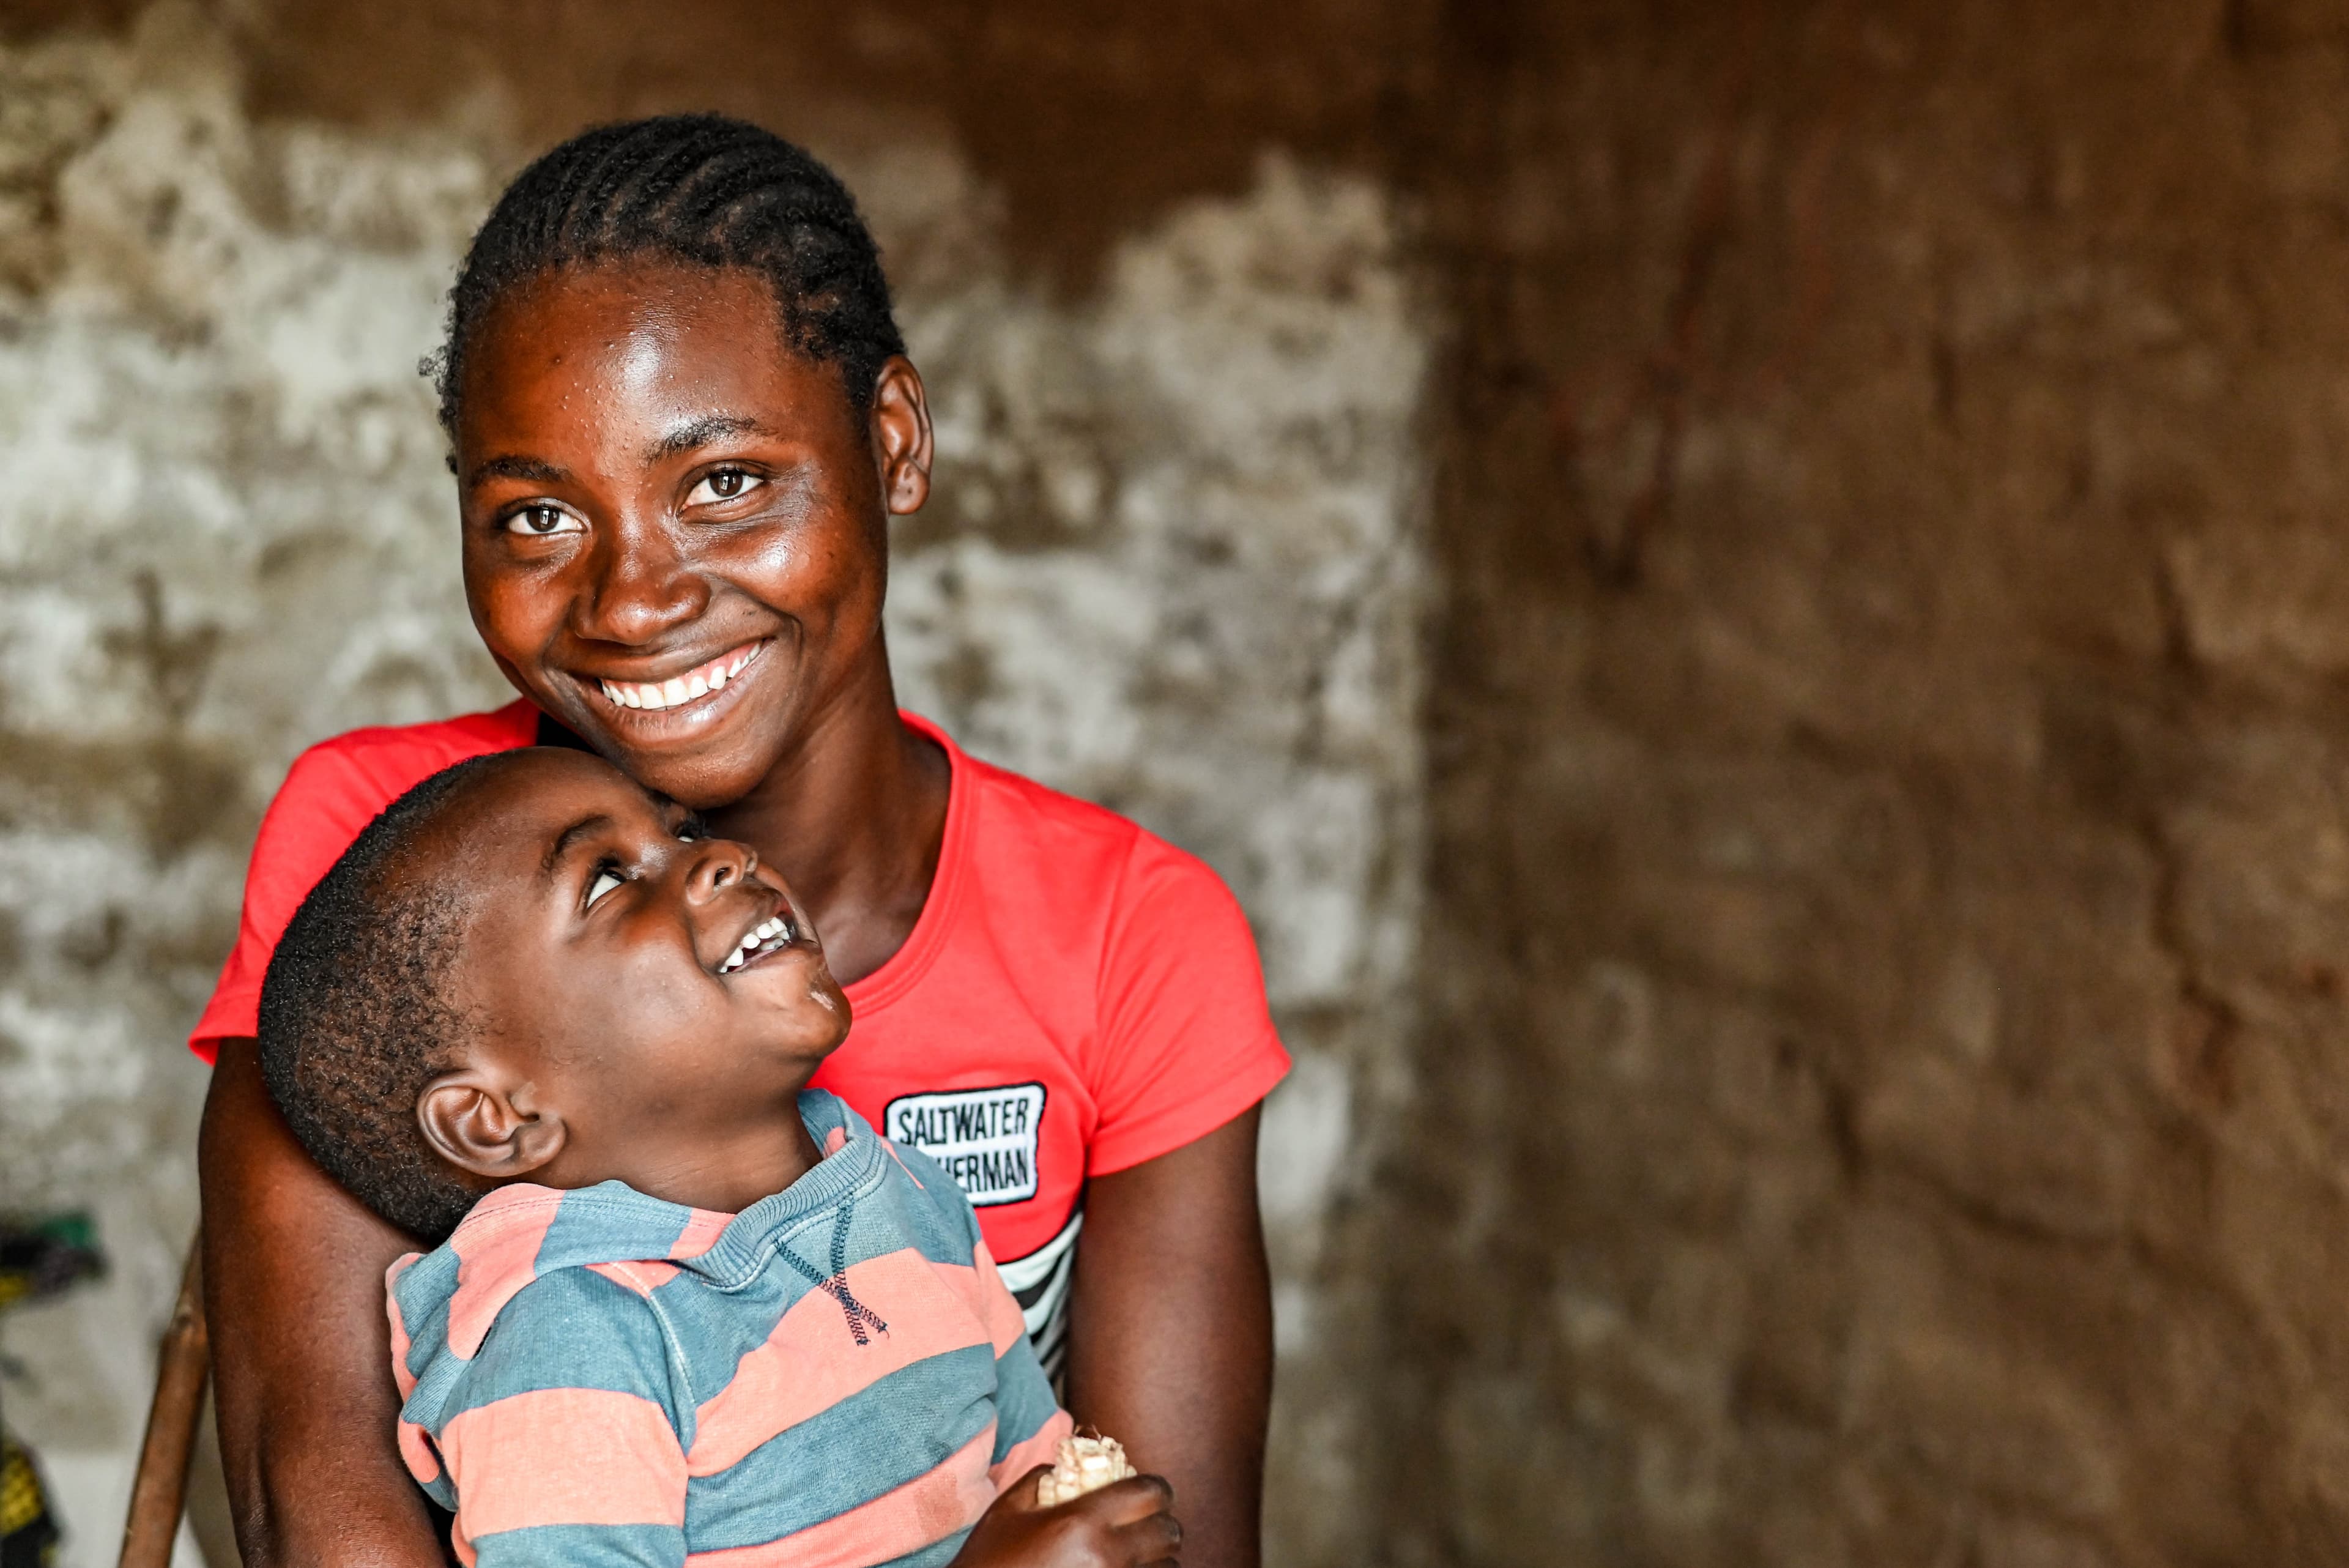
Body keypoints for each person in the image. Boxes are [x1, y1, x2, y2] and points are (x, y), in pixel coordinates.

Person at [193, 114, 1287, 1568]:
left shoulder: (1131, 936)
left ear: (890, 444)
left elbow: (1152, 1530)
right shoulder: (391, 861)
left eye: (723, 483)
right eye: (536, 514)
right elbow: (310, 1492)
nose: (633, 601)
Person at [256, 746, 1180, 1568]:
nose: (719, 856)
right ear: (496, 1118)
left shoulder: (902, 1190)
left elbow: (1036, 1470)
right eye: (609, 881)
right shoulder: (578, 1335)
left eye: (684, 830)